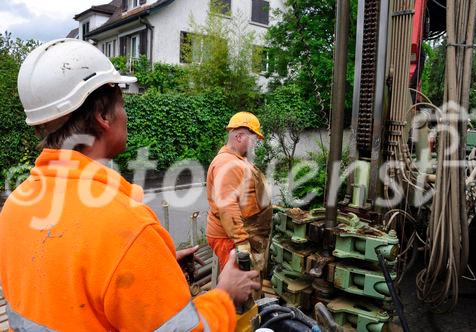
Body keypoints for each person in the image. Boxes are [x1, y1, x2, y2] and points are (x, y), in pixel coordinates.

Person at [0, 38, 260, 331]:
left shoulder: (15, 206)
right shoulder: (127, 229)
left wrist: (153, 268)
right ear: (102, 117)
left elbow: (61, 284)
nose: (126, 114)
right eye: (122, 103)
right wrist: (225, 295)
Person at [206, 112, 273, 275]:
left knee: (247, 286)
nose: (255, 145)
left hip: (239, 235)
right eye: (254, 140)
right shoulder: (227, 164)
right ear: (240, 136)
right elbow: (227, 206)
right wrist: (242, 244)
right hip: (231, 240)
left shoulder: (238, 159)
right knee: (239, 287)